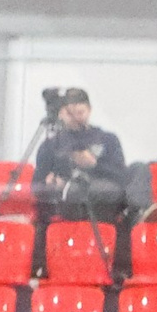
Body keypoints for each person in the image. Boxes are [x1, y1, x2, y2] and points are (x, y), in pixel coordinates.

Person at [34, 89, 128, 220]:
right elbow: (36, 185)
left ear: (89, 110)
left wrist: (95, 164)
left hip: (105, 200)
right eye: (70, 114)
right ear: (61, 113)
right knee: (74, 191)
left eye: (80, 113)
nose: (75, 118)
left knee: (138, 168)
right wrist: (51, 183)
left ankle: (139, 214)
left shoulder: (108, 139)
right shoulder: (51, 144)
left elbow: (120, 176)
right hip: (67, 204)